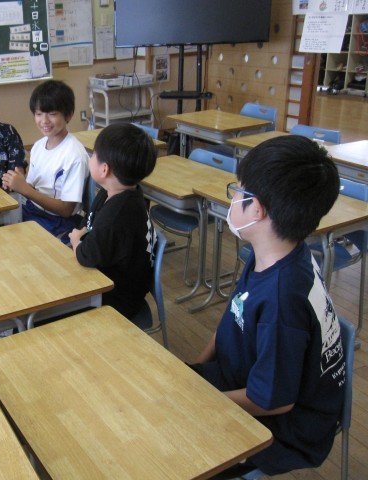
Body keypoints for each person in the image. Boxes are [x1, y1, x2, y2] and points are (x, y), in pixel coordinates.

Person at [192, 136, 345, 477]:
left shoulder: (282, 298)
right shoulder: (275, 252)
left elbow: (274, 400)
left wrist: (199, 401)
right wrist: (195, 372)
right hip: (243, 380)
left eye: (238, 190)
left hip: (283, 429)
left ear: (257, 209)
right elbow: (234, 316)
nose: (233, 198)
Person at [68, 123, 156, 320]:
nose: (91, 158)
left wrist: (76, 241)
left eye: (94, 155)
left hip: (116, 301)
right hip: (107, 282)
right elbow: (89, 226)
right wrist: (82, 236)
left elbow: (86, 255)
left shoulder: (117, 215)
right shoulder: (115, 193)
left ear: (104, 169)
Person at [2, 80, 89, 241]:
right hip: (32, 210)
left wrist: (25, 190)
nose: (44, 121)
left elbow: (66, 210)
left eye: (52, 114)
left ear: (68, 115)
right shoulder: (38, 146)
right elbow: (31, 187)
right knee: (0, 231)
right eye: (39, 114)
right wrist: (15, 184)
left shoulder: (75, 156)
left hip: (58, 221)